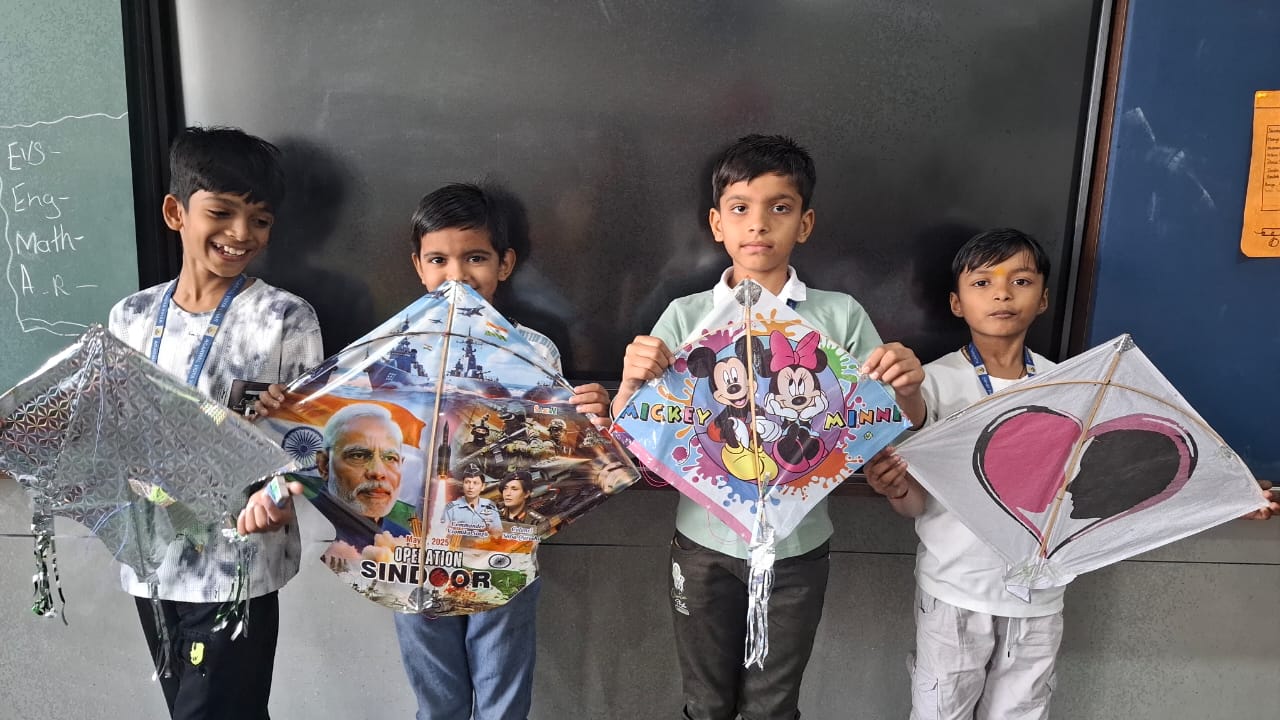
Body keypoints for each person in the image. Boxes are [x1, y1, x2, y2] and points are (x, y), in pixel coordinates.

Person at [864, 228, 1280, 720]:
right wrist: (895, 490)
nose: (1002, 293)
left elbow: (1128, 475)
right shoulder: (929, 384)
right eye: (982, 283)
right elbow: (916, 503)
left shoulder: (1074, 388)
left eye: (1021, 281)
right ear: (956, 303)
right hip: (955, 589)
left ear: (1043, 300)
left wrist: (1229, 498)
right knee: (940, 711)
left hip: (1041, 596)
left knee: (1022, 711)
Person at [245, 181, 611, 720]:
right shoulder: (385, 353)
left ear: (505, 264)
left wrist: (592, 417)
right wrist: (287, 416)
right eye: (439, 259)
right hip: (408, 552)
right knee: (437, 697)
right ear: (418, 266)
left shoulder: (532, 350)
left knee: (502, 694)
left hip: (502, 549)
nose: (457, 275)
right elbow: (335, 429)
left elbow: (553, 454)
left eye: (476, 258)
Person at [610, 134, 927, 720]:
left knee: (774, 706)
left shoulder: (838, 314)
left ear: (804, 224)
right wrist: (630, 384)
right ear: (716, 223)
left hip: (798, 548)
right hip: (704, 544)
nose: (758, 224)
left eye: (779, 207)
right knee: (705, 703)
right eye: (740, 208)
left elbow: (891, 424)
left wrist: (908, 389)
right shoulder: (685, 315)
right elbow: (635, 439)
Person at [108, 126, 323, 720]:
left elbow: (312, 444)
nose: (241, 233)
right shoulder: (130, 317)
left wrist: (279, 496)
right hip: (153, 561)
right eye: (222, 212)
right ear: (176, 212)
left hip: (238, 561)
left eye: (260, 219)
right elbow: (114, 431)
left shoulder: (284, 318)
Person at [289, 403, 416, 551]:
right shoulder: (293, 525)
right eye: (358, 456)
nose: (378, 472)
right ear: (324, 465)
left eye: (390, 458)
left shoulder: (404, 538)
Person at [442, 464, 504, 541]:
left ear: (483, 486)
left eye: (475, 483)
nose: (471, 487)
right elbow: (441, 534)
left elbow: (497, 534)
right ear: (463, 484)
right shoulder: (451, 508)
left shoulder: (490, 506)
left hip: (483, 547)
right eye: (467, 482)